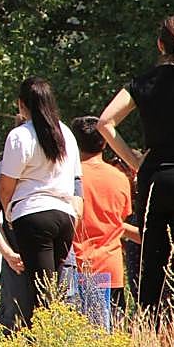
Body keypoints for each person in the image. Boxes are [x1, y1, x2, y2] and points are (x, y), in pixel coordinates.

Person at [98, 15, 174, 327]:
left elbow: (104, 123)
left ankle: (150, 331)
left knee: (153, 261)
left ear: (160, 44)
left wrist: (135, 161)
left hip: (154, 178)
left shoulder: (141, 82)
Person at [0, 77, 83, 326]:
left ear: (22, 104)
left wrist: (9, 213)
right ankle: (53, 335)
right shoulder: (66, 133)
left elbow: (6, 186)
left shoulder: (20, 136)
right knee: (53, 285)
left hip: (33, 214)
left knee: (39, 290)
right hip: (64, 214)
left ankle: (40, 341)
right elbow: (77, 177)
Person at [71, 116, 133, 321]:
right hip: (110, 266)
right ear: (105, 141)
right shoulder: (120, 178)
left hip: (77, 266)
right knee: (109, 339)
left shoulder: (69, 176)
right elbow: (121, 217)